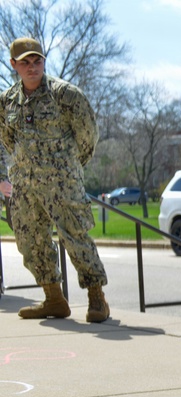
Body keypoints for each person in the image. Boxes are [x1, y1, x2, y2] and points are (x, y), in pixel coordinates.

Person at [0, 37, 110, 323]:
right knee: (30, 241)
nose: (32, 67)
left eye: (37, 61)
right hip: (25, 185)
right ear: (14, 65)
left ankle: (97, 298)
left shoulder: (66, 96)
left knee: (75, 237)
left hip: (63, 183)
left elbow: (88, 135)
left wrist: (70, 166)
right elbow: (7, 139)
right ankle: (53, 297)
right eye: (25, 62)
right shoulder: (7, 100)